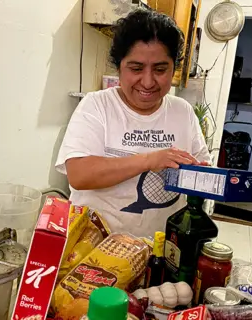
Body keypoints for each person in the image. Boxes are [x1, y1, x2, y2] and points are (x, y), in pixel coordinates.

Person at [55, 9, 210, 237]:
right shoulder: (97, 105)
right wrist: (150, 159)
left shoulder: (182, 111)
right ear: (119, 67)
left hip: (160, 248)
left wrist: (199, 174)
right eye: (136, 68)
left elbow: (201, 174)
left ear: (173, 68)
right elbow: (79, 174)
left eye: (160, 69)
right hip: (97, 246)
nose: (147, 82)